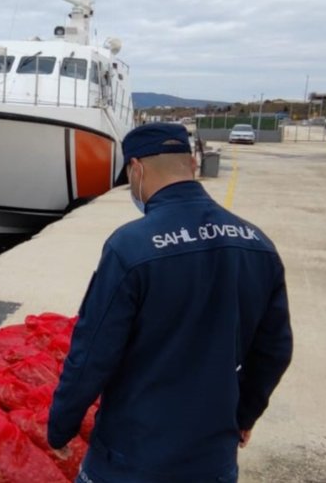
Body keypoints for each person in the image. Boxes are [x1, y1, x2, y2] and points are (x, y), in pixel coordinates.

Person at [48, 123, 293, 482]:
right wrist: (244, 415)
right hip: (212, 459)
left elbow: (93, 352)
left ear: (137, 169)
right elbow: (274, 350)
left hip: (131, 456)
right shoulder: (257, 243)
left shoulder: (129, 247)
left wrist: (61, 425)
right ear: (192, 164)